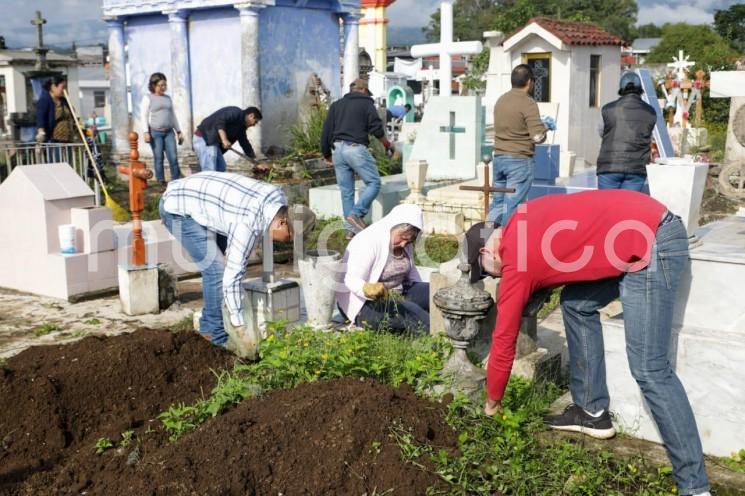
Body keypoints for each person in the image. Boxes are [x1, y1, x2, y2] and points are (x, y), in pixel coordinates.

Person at [464, 189, 710, 496]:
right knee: (576, 304)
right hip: (644, 226)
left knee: (650, 369)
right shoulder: (523, 219)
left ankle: (695, 488)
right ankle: (592, 412)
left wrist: (493, 402)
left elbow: (504, 339)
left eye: (486, 273)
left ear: (487, 253)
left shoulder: (516, 260)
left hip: (651, 241)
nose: (494, 278)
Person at [160, 171, 292, 347]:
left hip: (207, 203)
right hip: (177, 208)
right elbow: (232, 276)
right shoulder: (247, 223)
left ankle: (207, 326)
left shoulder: (279, 201)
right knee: (217, 270)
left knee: (222, 267)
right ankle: (216, 337)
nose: (287, 243)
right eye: (288, 238)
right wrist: (239, 325)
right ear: (281, 223)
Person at [336, 204, 429, 335]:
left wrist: (422, 294)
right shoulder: (368, 241)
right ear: (393, 226)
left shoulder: (405, 243)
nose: (404, 244)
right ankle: (439, 343)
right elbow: (350, 279)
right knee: (412, 312)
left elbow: (413, 276)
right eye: (402, 238)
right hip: (365, 304)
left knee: (434, 294)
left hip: (396, 294)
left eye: (409, 241)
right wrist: (367, 288)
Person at [321, 78, 393, 238]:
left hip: (337, 149)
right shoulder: (367, 104)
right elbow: (376, 128)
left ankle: (350, 230)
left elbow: (326, 131)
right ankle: (355, 215)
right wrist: (387, 145)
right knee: (374, 183)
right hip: (355, 149)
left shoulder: (336, 105)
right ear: (364, 90)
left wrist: (326, 153)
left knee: (346, 191)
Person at [489, 64, 550, 226]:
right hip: (519, 161)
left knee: (497, 204)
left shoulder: (501, 100)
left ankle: (487, 239)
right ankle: (505, 246)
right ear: (530, 82)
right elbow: (537, 137)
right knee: (513, 207)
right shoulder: (528, 103)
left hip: (499, 159)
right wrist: (546, 127)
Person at [596, 72, 657, 192]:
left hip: (609, 166)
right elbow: (650, 135)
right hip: (636, 168)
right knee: (627, 208)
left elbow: (601, 132)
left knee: (607, 207)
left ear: (621, 89)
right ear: (640, 89)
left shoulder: (608, 109)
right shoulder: (650, 112)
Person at [140, 72, 183, 186]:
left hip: (169, 132)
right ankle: (161, 181)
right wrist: (145, 132)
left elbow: (172, 115)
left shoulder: (167, 98)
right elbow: (143, 116)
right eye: (160, 85)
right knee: (159, 157)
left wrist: (178, 131)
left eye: (165, 85)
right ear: (153, 85)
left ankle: (176, 181)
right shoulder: (148, 98)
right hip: (155, 133)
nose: (163, 87)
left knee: (173, 157)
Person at [193, 106, 262, 172]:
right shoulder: (235, 112)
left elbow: (244, 143)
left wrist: (255, 161)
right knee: (209, 169)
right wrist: (224, 139)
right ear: (251, 116)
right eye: (255, 122)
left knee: (221, 167)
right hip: (204, 138)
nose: (254, 125)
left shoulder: (241, 128)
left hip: (213, 142)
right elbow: (220, 122)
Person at [36, 75, 77, 147]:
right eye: (62, 87)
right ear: (53, 87)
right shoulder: (45, 100)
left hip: (68, 138)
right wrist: (41, 131)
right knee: (57, 158)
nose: (64, 90)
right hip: (54, 139)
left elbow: (72, 114)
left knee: (68, 157)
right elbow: (41, 117)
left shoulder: (64, 100)